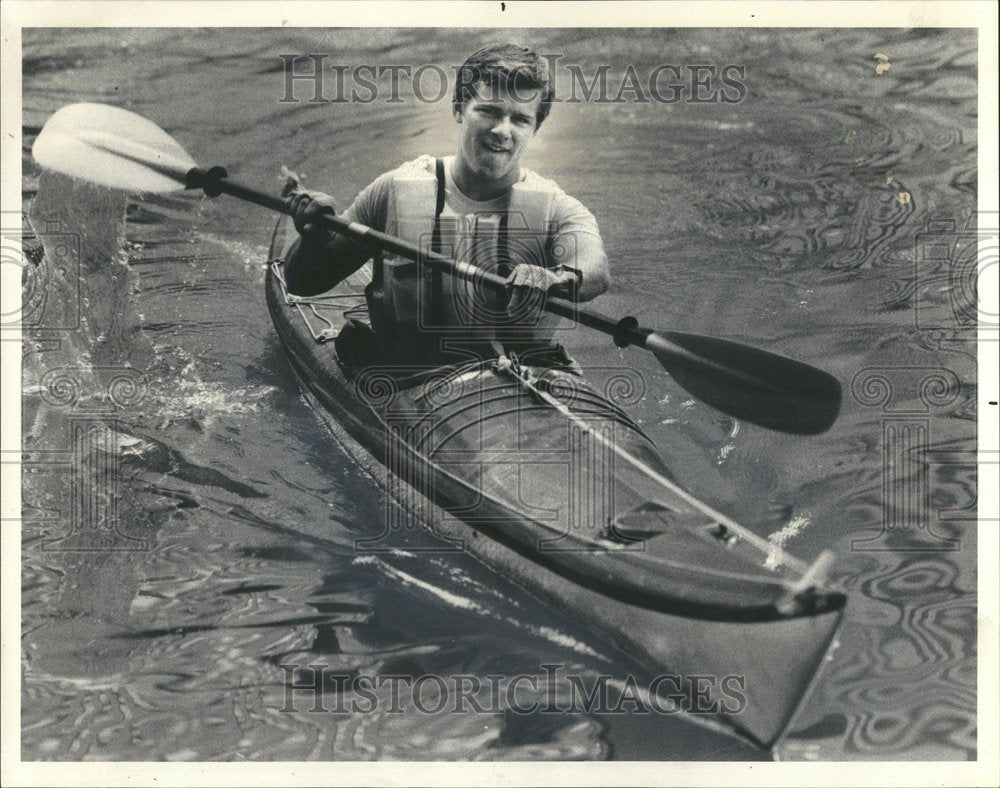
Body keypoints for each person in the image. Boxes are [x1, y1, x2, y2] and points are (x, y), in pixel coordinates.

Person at [284, 43, 610, 372]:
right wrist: (315, 235)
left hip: (523, 379)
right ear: (458, 108)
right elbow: (303, 284)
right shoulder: (393, 190)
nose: (502, 130)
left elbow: (595, 269)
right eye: (489, 111)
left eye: (520, 119)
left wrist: (556, 279)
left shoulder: (558, 209)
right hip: (407, 375)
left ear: (535, 128)